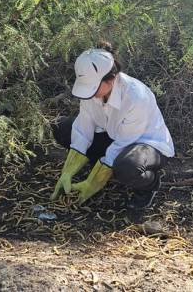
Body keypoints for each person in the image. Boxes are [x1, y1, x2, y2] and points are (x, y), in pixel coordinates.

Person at [51, 42, 175, 210]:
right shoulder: (92, 94)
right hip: (114, 135)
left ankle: (148, 186)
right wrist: (67, 171)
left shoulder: (136, 96)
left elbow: (124, 142)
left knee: (127, 167)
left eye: (93, 87)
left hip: (146, 145)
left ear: (111, 79)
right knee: (63, 127)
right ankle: (100, 166)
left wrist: (93, 182)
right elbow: (83, 128)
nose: (90, 93)